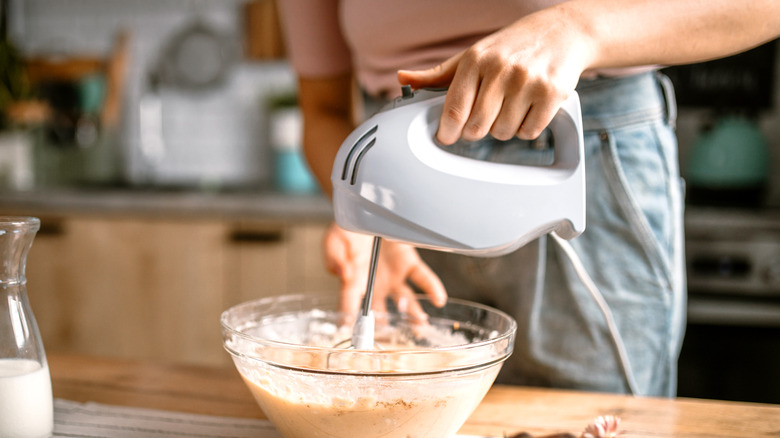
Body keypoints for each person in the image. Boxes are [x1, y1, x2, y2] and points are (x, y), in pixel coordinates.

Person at [276, 0, 780, 396]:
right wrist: (360, 213)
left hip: (584, 148)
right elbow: (322, 110)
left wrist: (578, 28)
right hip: (400, 181)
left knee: (595, 417)